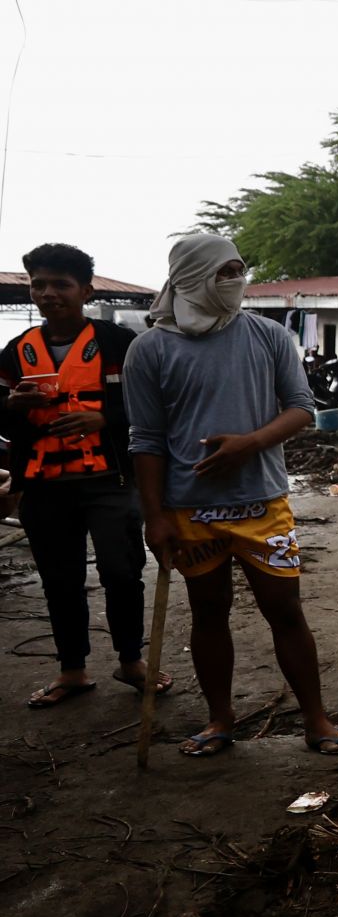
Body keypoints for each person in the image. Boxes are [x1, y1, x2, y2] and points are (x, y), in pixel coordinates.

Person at [123, 234, 338, 757]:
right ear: (189, 277)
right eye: (222, 272)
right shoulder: (150, 349)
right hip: (189, 510)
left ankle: (317, 720)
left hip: (262, 504)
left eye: (238, 270)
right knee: (208, 612)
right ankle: (219, 719)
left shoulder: (268, 335)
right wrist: (153, 515)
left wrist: (251, 443)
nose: (236, 282)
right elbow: (146, 439)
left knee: (285, 609)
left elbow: (300, 407)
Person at [0, 243, 169, 707]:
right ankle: (72, 670)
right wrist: (9, 406)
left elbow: (155, 408)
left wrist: (107, 419)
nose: (48, 293)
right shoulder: (15, 353)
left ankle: (131, 661)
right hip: (42, 486)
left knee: (121, 570)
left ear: (85, 290)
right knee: (60, 579)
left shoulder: (119, 345)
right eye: (39, 285)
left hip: (109, 481)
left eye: (61, 284)